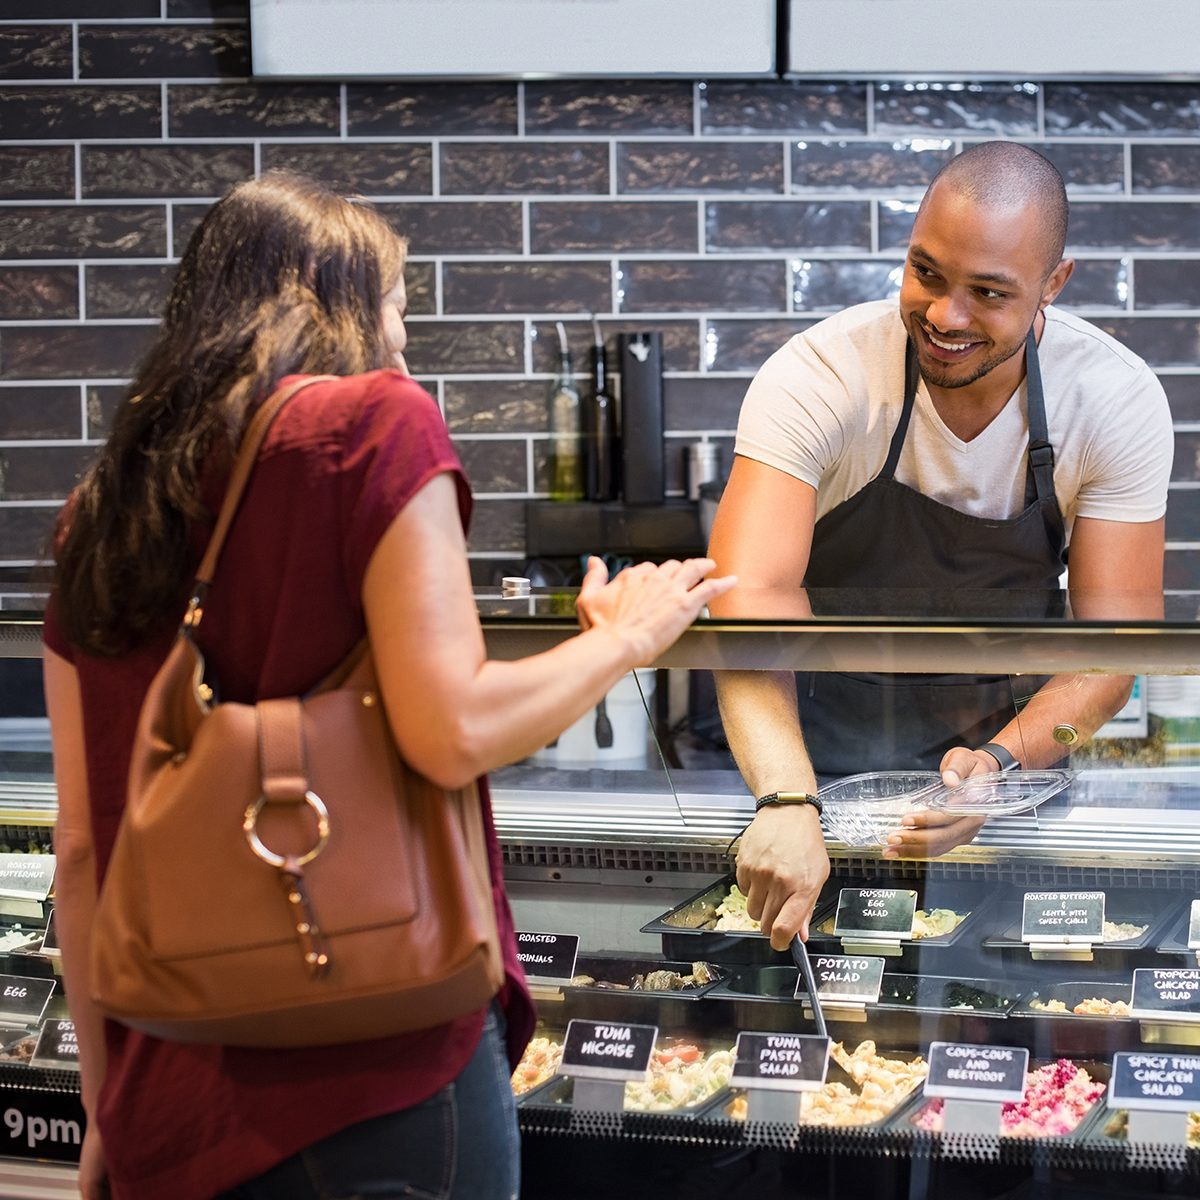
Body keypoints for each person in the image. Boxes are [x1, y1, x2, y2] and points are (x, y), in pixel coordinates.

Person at [43, 171, 735, 1200]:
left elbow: (87, 844)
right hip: (374, 1075)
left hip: (168, 1091)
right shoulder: (372, 428)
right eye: (399, 307)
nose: (404, 346)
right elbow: (450, 729)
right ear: (334, 298)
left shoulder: (102, 506)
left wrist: (111, 1102)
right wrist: (625, 640)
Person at [708, 141, 1172, 951]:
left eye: (989, 293)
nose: (946, 316)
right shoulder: (820, 376)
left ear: (1051, 288)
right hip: (814, 784)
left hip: (1005, 785)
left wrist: (996, 773)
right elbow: (749, 607)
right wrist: (786, 799)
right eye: (926, 273)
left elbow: (1111, 655)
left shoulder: (1111, 397)